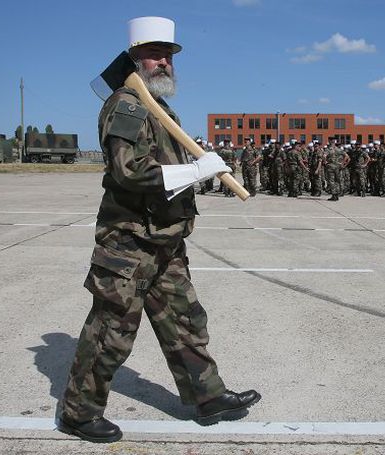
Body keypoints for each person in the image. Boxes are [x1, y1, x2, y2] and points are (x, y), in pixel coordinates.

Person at [58, 17, 260, 444]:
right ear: (135, 58)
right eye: (154, 54)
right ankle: (78, 412)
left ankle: (208, 396)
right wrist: (194, 169)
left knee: (185, 320)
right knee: (111, 331)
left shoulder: (160, 108)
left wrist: (197, 173)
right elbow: (127, 171)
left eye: (168, 54)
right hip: (129, 242)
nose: (163, 62)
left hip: (165, 239)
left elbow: (166, 172)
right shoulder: (127, 104)